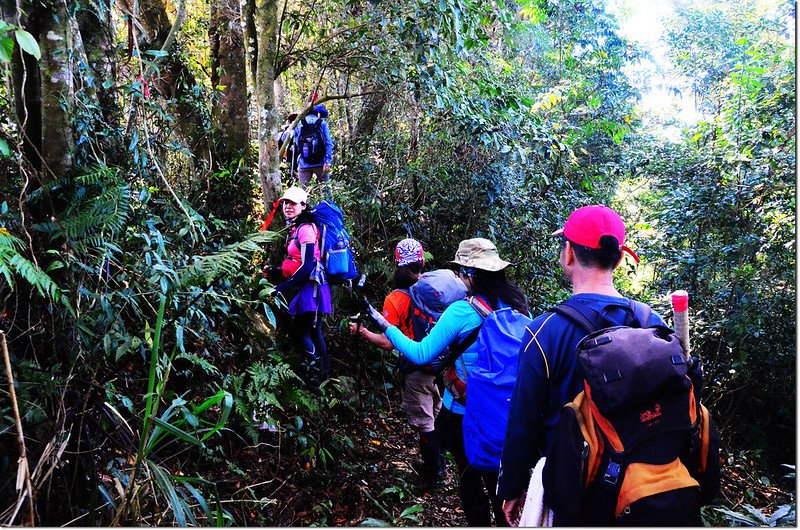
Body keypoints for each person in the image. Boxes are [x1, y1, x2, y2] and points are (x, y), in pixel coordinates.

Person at [496, 205, 667, 525]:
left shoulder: (544, 332)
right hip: (639, 493)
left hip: (569, 495)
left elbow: (523, 422)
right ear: (618, 259)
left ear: (569, 254)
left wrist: (512, 487)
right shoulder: (650, 323)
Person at [367, 238, 528, 526]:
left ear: (470, 273)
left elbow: (421, 353)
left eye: (461, 272)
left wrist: (387, 327)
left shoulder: (461, 311)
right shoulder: (518, 305)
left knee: (468, 477)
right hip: (506, 409)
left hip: (464, 412)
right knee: (496, 480)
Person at [348, 238, 447, 490]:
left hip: (415, 369)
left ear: (396, 263)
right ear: (422, 262)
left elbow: (387, 342)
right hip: (441, 366)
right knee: (434, 418)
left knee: (425, 425)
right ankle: (438, 466)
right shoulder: (435, 291)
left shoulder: (395, 299)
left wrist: (361, 332)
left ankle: (432, 476)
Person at [272, 186, 332, 390]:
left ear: (303, 206)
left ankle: (314, 379)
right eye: (285, 203)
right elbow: (296, 261)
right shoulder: (297, 227)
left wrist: (282, 286)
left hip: (311, 287)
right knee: (315, 332)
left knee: (303, 333)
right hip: (311, 286)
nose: (288, 207)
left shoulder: (305, 229)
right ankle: (322, 376)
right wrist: (275, 270)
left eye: (293, 203)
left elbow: (307, 265)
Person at [294, 104, 333, 192]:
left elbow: (294, 140)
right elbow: (328, 143)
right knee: (326, 191)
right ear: (317, 113)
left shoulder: (299, 123)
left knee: (301, 192)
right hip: (320, 163)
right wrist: (327, 161)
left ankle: (301, 205)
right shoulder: (322, 123)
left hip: (304, 163)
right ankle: (328, 205)